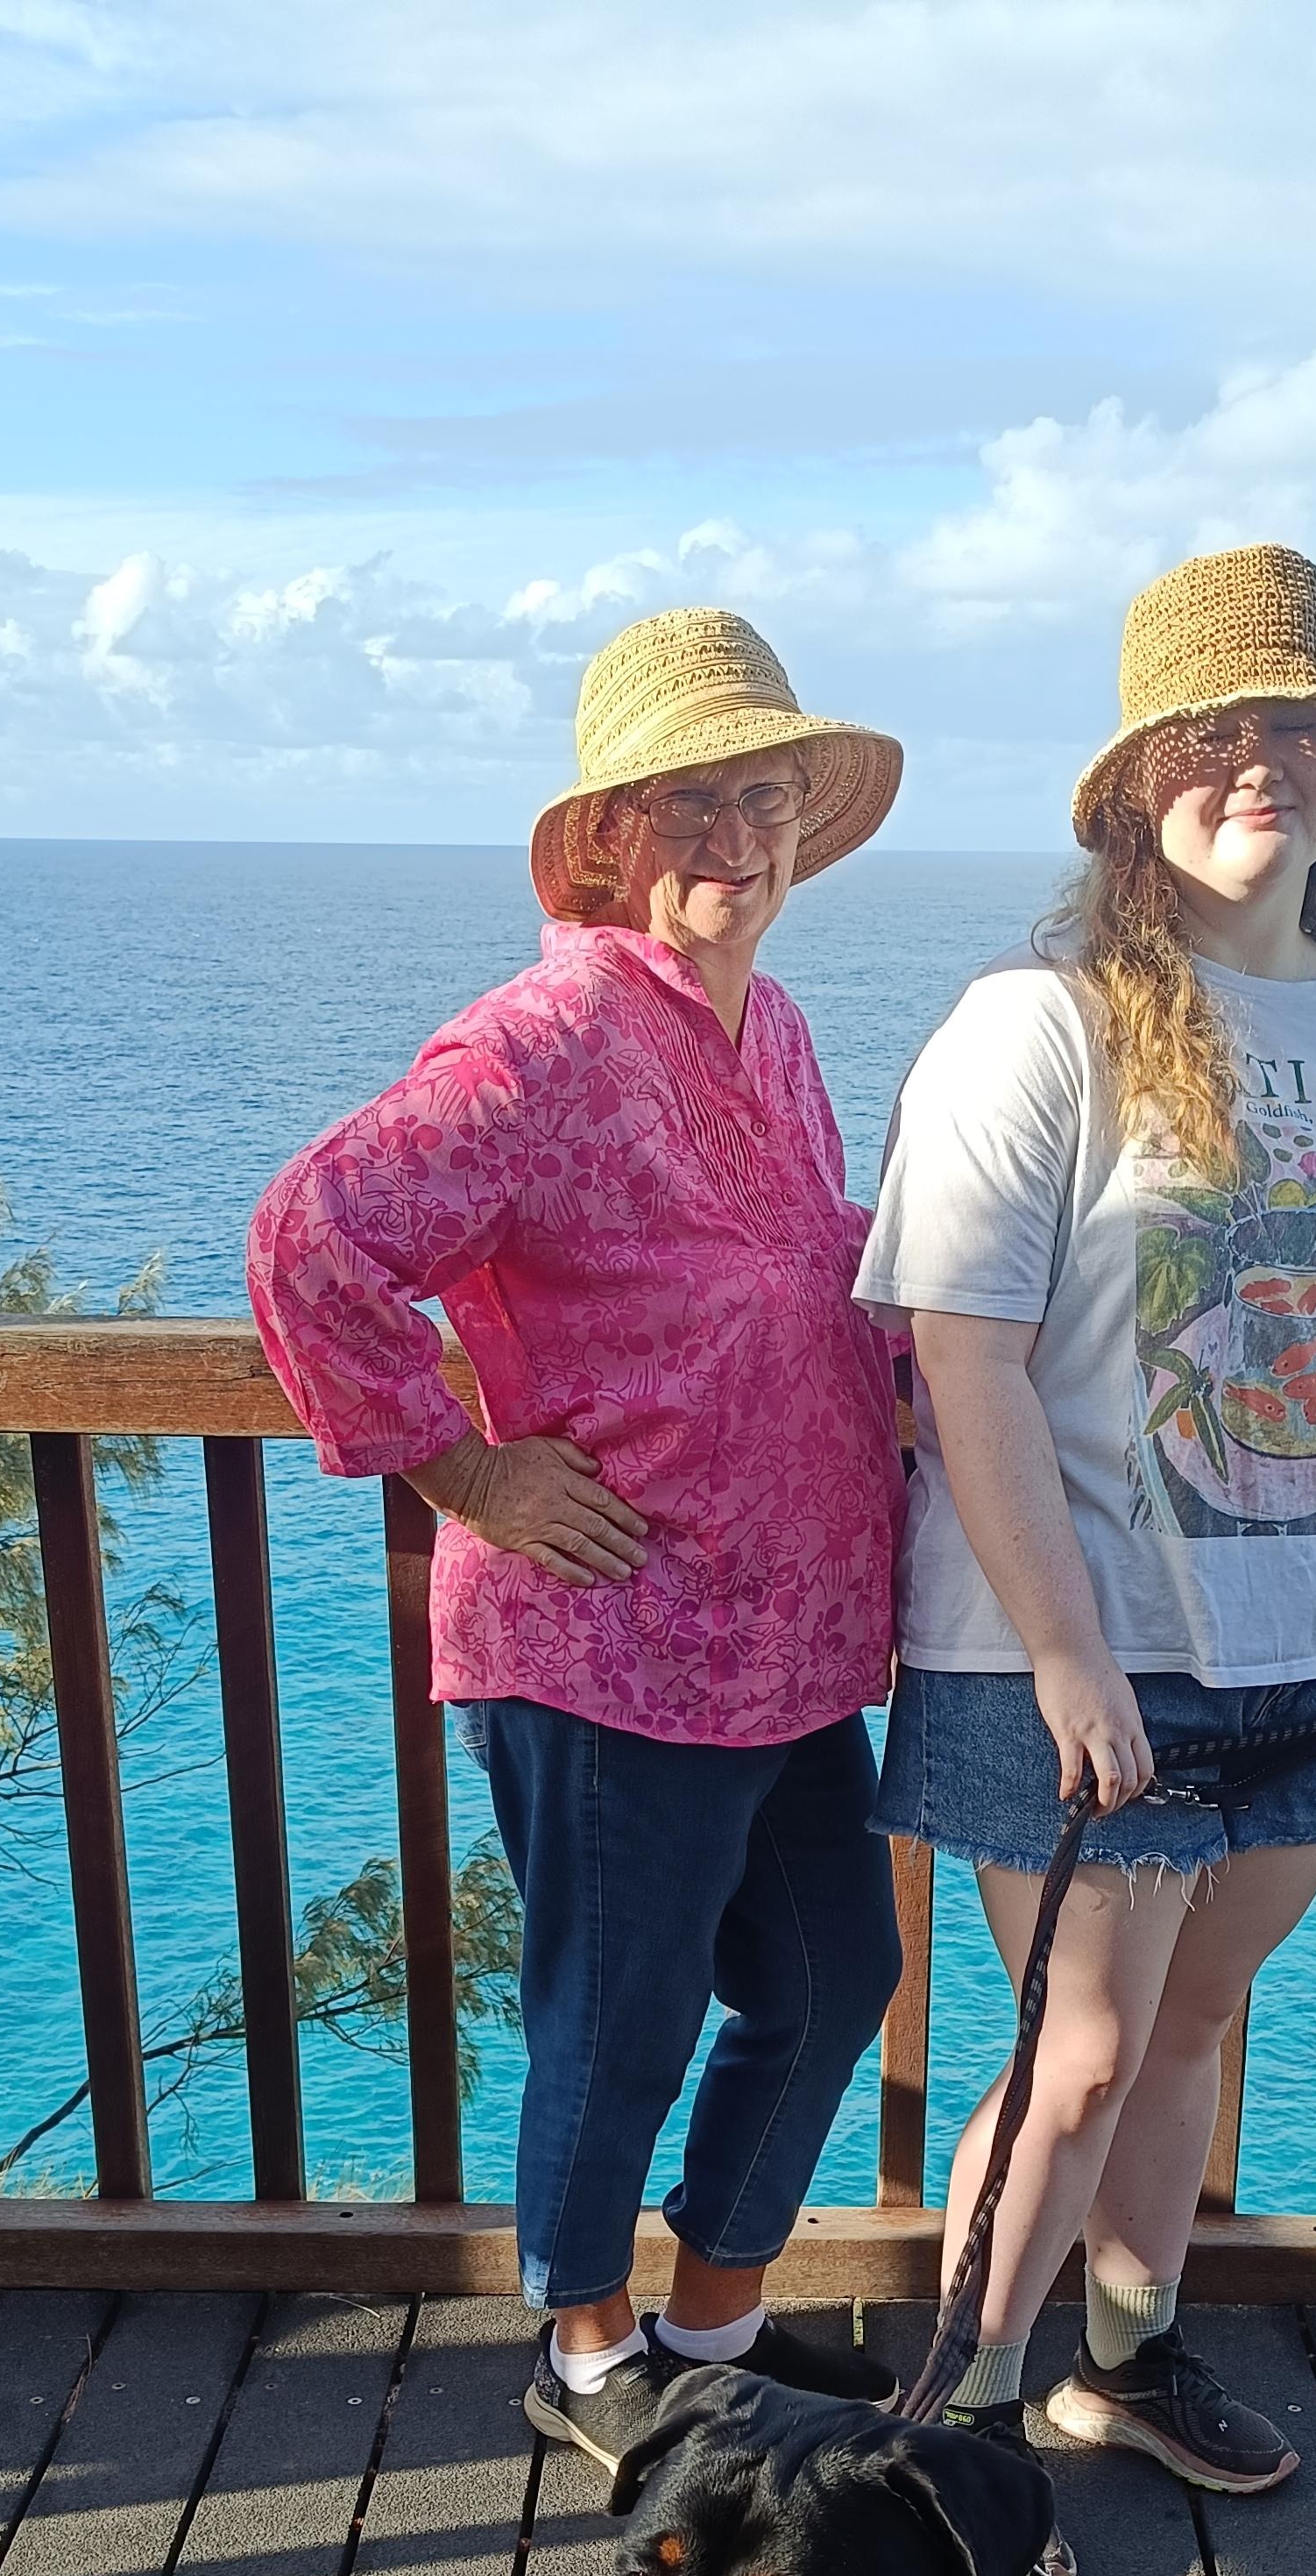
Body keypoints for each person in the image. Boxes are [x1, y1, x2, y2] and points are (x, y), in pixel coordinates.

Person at [857, 544, 1316, 2493]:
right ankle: (954, 2435)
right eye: (1212, 733)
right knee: (1073, 2064)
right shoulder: (1035, 1023)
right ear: (1144, 779)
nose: (1259, 766)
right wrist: (1068, 1651)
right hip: (1074, 1654)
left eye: (1296, 725)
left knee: (1194, 2022)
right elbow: (957, 1356)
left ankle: (1126, 2360)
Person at [250, 607, 909, 2474]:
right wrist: (460, 1468)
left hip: (781, 1640)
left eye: (768, 795)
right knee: (615, 2019)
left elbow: (781, 1277)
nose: (739, 835)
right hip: (608, 1637)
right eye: (692, 798)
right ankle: (587, 2348)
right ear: (613, 835)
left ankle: (713, 2320)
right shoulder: (538, 1040)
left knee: (829, 1974)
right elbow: (314, 1237)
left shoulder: (767, 1029)